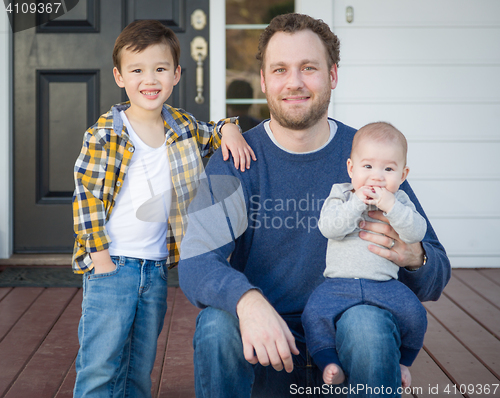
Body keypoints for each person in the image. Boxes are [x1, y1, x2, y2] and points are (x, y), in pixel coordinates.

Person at [178, 13, 450, 398]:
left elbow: (437, 273)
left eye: (309, 68)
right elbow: (195, 261)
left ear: (332, 75)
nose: (294, 82)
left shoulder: (369, 156)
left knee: (367, 324)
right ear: (263, 80)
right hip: (268, 346)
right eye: (280, 70)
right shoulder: (235, 160)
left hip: (346, 347)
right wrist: (247, 300)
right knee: (216, 326)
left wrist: (413, 256)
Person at [71, 19, 256, 398]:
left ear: (176, 74)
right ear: (119, 76)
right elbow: (86, 196)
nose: (149, 79)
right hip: (113, 266)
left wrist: (231, 129)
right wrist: (101, 259)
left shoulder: (182, 127)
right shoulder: (106, 133)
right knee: (101, 365)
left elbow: (217, 129)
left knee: (140, 365)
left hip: (155, 269)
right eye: (137, 70)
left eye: (160, 69)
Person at [302, 122, 428, 388]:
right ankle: (328, 362)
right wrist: (357, 202)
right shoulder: (341, 194)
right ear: (351, 168)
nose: (377, 177)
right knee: (313, 313)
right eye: (368, 167)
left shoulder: (401, 201)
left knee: (416, 313)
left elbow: (417, 231)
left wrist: (392, 207)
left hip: (384, 286)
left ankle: (403, 362)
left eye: (389, 169)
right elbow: (329, 228)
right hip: (338, 285)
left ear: (403, 175)